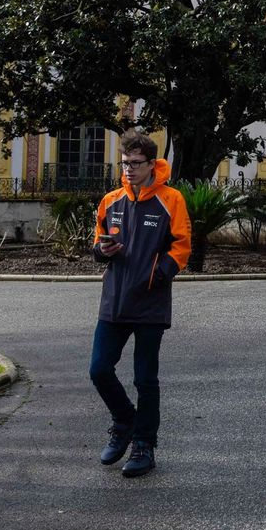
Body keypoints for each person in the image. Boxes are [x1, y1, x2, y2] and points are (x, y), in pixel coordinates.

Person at [89, 130, 191, 477]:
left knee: (145, 379)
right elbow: (97, 243)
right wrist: (102, 250)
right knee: (99, 370)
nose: (129, 169)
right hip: (114, 302)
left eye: (135, 163)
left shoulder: (171, 199)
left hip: (150, 303)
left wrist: (157, 274)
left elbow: (182, 246)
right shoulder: (111, 201)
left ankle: (144, 445)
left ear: (151, 164)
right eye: (125, 163)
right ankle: (125, 421)